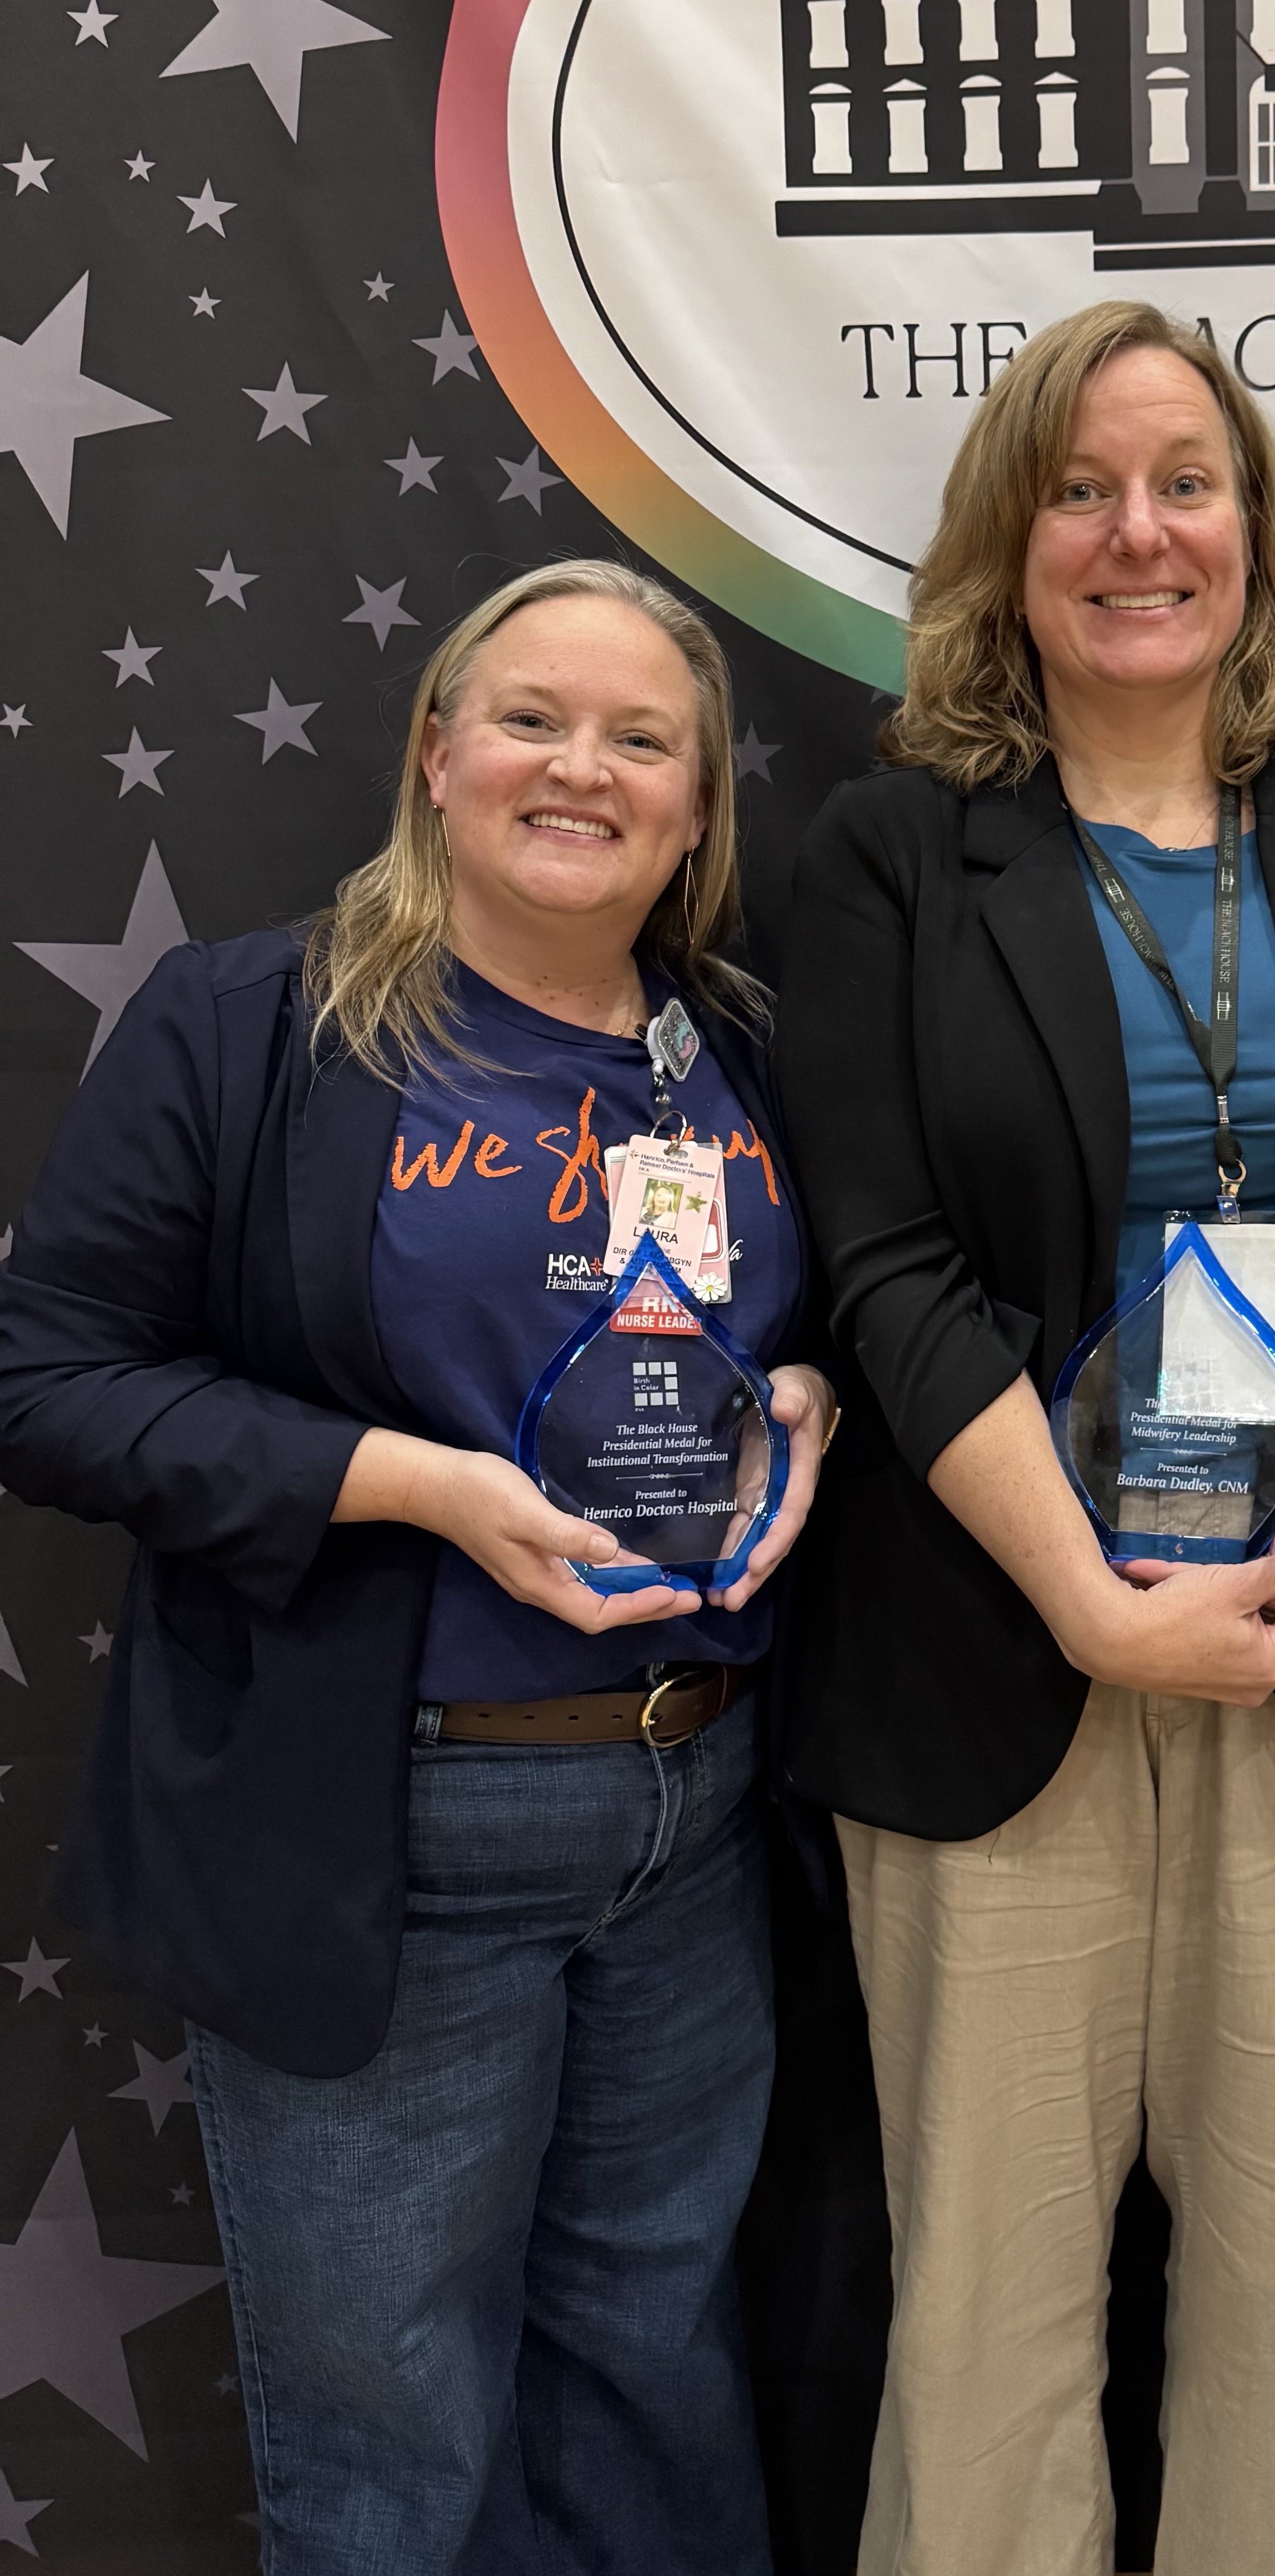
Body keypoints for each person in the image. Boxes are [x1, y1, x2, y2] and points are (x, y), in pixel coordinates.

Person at [0, 558, 834, 2575]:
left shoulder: (739, 1049)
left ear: (701, 807)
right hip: (388, 1816)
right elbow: (46, 1382)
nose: (583, 767)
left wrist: (809, 1395)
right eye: (533, 718)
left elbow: (793, 1324)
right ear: (435, 754)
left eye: (645, 739)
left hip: (688, 1805)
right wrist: (410, 1484)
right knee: (395, 2436)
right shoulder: (250, 1026)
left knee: (655, 2375)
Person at [775, 299, 1275, 2576]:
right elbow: (882, 1268)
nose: (1138, 532)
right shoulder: (894, 857)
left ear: (1260, 533)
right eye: (1081, 489)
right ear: (1007, 542)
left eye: (1189, 481)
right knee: (990, 2304)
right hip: (998, 1664)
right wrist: (1095, 1605)